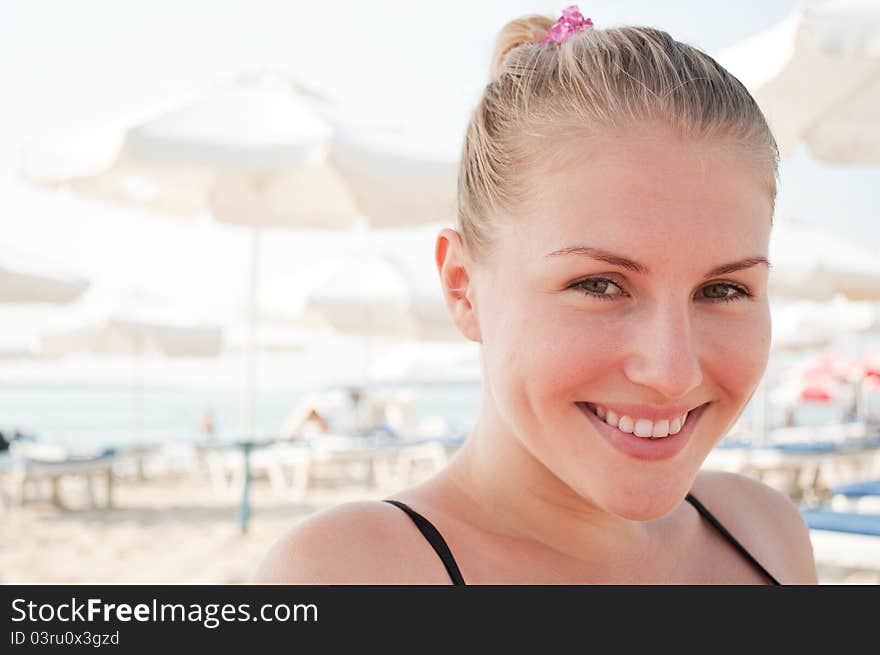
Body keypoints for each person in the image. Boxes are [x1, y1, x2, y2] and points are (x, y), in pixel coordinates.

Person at [255, 7, 817, 584]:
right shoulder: (355, 572)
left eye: (723, 289)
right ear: (463, 289)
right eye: (598, 285)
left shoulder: (767, 532)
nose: (672, 372)